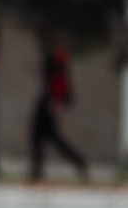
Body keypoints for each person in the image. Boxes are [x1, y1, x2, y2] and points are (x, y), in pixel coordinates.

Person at [31, 36, 90, 181]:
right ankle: (38, 169)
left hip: (49, 105)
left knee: (46, 137)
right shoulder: (56, 59)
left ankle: (78, 161)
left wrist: (57, 103)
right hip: (49, 103)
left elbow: (58, 83)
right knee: (45, 137)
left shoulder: (57, 60)